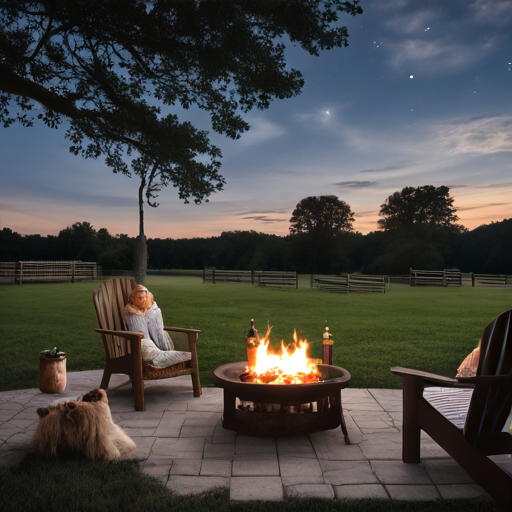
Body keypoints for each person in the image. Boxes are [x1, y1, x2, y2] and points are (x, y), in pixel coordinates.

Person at [124, 285, 191, 367]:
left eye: (144, 297)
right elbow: (142, 334)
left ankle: (166, 353)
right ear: (133, 299)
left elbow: (157, 328)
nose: (142, 300)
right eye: (139, 298)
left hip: (159, 345)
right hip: (144, 346)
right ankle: (162, 357)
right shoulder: (133, 315)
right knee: (188, 355)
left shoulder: (153, 311)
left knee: (187, 355)